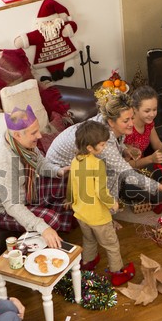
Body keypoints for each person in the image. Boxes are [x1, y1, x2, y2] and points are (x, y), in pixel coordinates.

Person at [43, 93, 162, 204]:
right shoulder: (103, 141)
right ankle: (109, 212)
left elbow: (117, 142)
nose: (132, 124)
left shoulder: (108, 123)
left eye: (132, 118)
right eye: (126, 121)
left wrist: (124, 149)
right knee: (114, 172)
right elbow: (126, 173)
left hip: (81, 161)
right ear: (111, 122)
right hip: (61, 171)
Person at [0, 105, 73, 249]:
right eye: (34, 133)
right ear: (17, 135)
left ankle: (53, 231)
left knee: (68, 180)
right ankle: (42, 241)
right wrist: (43, 227)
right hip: (0, 209)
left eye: (37, 130)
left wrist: (59, 171)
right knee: (50, 220)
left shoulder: (23, 143)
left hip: (24, 190)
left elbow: (40, 163)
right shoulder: (3, 159)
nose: (39, 136)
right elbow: (13, 206)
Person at [66, 121, 135, 285]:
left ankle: (88, 263)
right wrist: (113, 203)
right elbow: (101, 192)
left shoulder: (76, 160)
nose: (104, 147)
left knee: (88, 239)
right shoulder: (97, 164)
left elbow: (71, 182)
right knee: (112, 245)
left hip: (81, 213)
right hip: (98, 217)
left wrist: (69, 198)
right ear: (90, 148)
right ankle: (118, 273)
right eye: (102, 145)